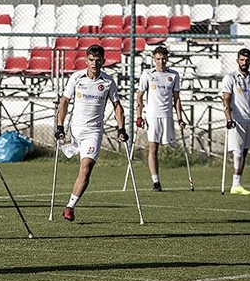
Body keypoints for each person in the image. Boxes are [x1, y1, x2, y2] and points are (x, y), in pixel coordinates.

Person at [55, 44, 127, 221]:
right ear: (86, 60)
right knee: (80, 163)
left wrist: (121, 128)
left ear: (103, 61)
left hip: (93, 131)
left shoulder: (108, 82)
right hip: (76, 128)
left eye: (98, 60)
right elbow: (64, 102)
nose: (94, 63)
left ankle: (70, 207)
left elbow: (117, 106)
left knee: (86, 169)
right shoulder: (76, 78)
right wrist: (59, 126)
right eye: (91, 60)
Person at [135, 45, 186, 192]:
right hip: (152, 115)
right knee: (153, 148)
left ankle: (171, 174)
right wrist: (139, 116)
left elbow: (176, 98)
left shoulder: (174, 75)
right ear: (154, 59)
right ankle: (156, 182)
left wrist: (180, 117)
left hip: (167, 115)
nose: (161, 62)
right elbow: (140, 95)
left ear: (167, 59)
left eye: (163, 59)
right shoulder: (147, 74)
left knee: (170, 146)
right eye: (158, 59)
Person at [221, 47, 250, 196]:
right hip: (237, 120)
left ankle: (238, 183)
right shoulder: (230, 78)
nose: (244, 62)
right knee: (238, 151)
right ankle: (235, 185)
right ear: (237, 60)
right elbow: (226, 100)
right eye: (242, 60)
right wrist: (228, 119)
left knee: (245, 151)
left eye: (247, 60)